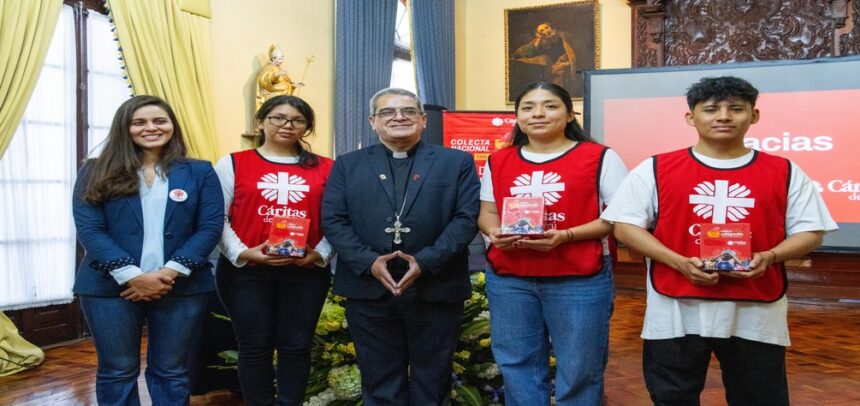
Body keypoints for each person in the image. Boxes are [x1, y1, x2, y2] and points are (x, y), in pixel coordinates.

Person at [601, 76, 837, 405]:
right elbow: (625, 228)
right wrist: (679, 262)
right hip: (676, 305)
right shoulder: (655, 168)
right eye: (711, 109)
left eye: (736, 108)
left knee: (760, 397)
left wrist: (768, 256)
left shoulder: (784, 171)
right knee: (672, 396)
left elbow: (811, 231)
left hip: (755, 306)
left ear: (754, 116)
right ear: (690, 117)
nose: (723, 116)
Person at [322, 88, 481, 405]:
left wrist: (425, 261)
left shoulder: (456, 162)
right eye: (387, 112)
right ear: (372, 121)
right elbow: (333, 220)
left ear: (423, 120)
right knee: (379, 380)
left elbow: (466, 218)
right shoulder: (347, 164)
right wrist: (369, 261)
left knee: (433, 380)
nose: (399, 117)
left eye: (409, 111)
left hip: (436, 286)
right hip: (369, 289)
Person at [477, 82, 627, 405]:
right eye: (528, 107)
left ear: (570, 114)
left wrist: (567, 236)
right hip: (510, 278)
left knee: (579, 369)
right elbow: (487, 211)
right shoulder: (499, 160)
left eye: (550, 106)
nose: (538, 113)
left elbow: (619, 217)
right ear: (517, 118)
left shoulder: (600, 157)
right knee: (517, 365)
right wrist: (494, 232)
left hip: (579, 278)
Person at [72, 95, 224, 405]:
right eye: (139, 122)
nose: (150, 128)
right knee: (117, 370)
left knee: (171, 371)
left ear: (172, 126)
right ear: (124, 128)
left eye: (159, 121)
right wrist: (132, 276)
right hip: (108, 287)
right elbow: (90, 229)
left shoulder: (200, 171)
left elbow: (209, 227)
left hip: (182, 285)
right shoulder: (95, 170)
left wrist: (168, 273)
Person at [215, 95, 333, 405]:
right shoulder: (232, 162)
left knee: (296, 346)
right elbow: (217, 217)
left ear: (307, 127)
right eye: (277, 118)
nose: (287, 125)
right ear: (261, 122)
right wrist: (245, 252)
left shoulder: (326, 167)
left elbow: (337, 218)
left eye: (297, 120)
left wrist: (319, 254)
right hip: (246, 272)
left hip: (305, 271)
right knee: (254, 346)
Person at [512, 23, 577, 92]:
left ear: (551, 28)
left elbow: (579, 54)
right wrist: (539, 39)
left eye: (546, 27)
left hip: (567, 65)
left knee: (559, 70)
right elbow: (520, 53)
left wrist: (568, 64)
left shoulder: (565, 36)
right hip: (552, 68)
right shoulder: (542, 41)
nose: (545, 31)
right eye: (542, 31)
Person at [255, 44, 299, 111]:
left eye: (282, 59)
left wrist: (293, 86)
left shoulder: (279, 68)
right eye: (279, 59)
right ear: (273, 58)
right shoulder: (268, 68)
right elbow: (263, 80)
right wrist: (274, 75)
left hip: (282, 99)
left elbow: (286, 82)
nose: (281, 61)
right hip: (273, 98)